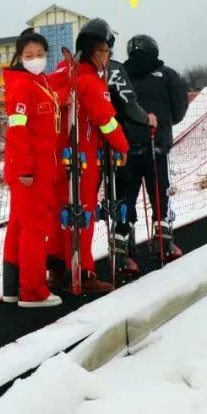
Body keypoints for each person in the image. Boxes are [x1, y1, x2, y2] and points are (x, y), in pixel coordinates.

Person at [52, 18, 129, 294]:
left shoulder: (63, 75)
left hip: (59, 158)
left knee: (62, 215)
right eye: (107, 52)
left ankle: (59, 266)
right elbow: (106, 121)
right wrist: (122, 146)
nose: (108, 58)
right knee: (82, 215)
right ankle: (83, 272)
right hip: (83, 159)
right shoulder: (90, 82)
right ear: (96, 53)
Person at [1, 28, 69, 308]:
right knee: (34, 229)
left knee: (19, 227)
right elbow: (17, 130)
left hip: (41, 168)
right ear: (20, 56)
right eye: (29, 55)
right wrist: (26, 169)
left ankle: (13, 288)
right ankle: (32, 290)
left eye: (40, 54)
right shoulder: (22, 85)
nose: (36, 58)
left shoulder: (40, 82)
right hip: (30, 171)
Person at [114, 34, 190, 269]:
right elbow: (179, 109)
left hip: (125, 147)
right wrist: (165, 123)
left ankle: (123, 248)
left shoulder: (119, 75)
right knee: (159, 193)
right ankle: (163, 243)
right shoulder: (168, 75)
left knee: (124, 198)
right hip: (156, 144)